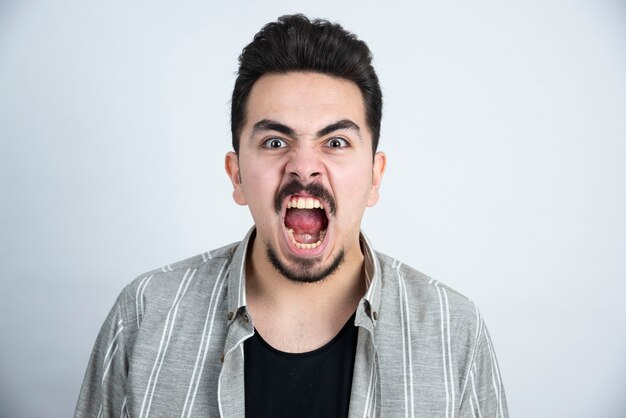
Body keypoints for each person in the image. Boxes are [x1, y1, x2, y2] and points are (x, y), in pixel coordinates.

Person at [75, 14, 508, 418]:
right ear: (237, 175)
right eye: (275, 143)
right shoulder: (146, 314)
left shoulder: (455, 332)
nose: (304, 166)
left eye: (336, 142)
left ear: (375, 177)